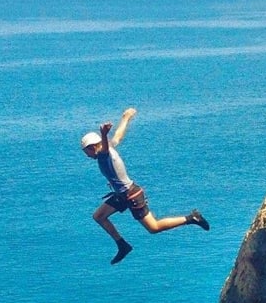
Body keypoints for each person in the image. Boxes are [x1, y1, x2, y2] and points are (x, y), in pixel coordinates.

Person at [80, 107, 209, 264]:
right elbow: (119, 136)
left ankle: (191, 218)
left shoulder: (103, 154)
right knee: (98, 216)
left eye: (85, 151)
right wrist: (126, 117)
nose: (86, 155)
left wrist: (104, 135)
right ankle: (122, 245)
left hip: (131, 195)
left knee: (153, 227)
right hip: (121, 195)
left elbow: (105, 148)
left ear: (92, 147)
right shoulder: (110, 147)